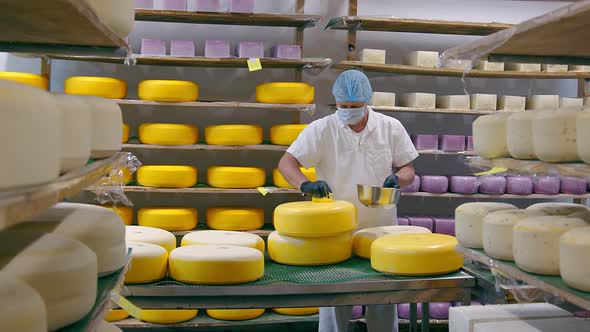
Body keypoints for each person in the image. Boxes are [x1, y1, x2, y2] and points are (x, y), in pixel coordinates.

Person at [277, 70, 419, 332]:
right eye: (343, 106)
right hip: (334, 230)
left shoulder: (390, 127)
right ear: (336, 102)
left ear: (367, 101)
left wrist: (398, 178)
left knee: (383, 297)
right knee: (335, 299)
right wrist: (304, 184)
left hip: (381, 228)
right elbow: (287, 163)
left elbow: (408, 169)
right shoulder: (321, 129)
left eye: (355, 106)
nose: (349, 111)